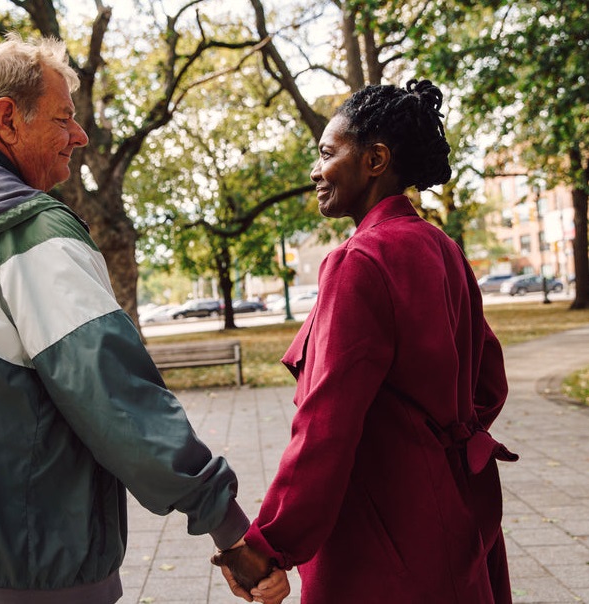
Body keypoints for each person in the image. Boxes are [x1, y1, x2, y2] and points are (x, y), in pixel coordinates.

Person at [0, 33, 288, 604]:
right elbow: (120, 403)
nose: (79, 135)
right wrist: (231, 531)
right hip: (23, 578)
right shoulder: (31, 231)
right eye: (63, 118)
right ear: (7, 118)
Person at [213, 79, 518, 603]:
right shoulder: (442, 248)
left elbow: (325, 425)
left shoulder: (360, 261)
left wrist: (267, 544)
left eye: (328, 153)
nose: (315, 170)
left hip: (386, 536)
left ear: (375, 159)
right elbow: (489, 383)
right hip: (463, 513)